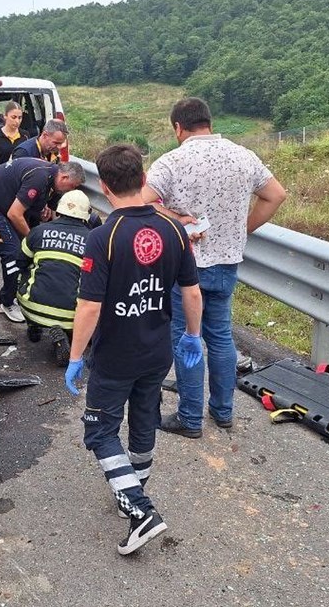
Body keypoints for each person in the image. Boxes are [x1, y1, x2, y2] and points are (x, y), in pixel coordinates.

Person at [63, 143, 203, 555]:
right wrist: (192, 336)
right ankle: (131, 486)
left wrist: (74, 357)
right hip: (157, 351)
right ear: (143, 181)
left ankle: (140, 511)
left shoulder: (102, 238)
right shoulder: (174, 230)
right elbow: (191, 292)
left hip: (115, 357)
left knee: (99, 429)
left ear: (103, 187)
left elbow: (90, 306)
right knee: (144, 420)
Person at [144, 97, 287, 438]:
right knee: (221, 337)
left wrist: (176, 217)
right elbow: (276, 195)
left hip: (185, 267)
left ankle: (190, 418)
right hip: (228, 262)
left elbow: (142, 200)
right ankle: (223, 412)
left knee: (186, 337)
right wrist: (243, 229)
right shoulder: (243, 156)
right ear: (209, 121)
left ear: (178, 127)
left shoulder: (172, 161)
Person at [0, 157, 85, 322]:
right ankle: (6, 302)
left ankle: (16, 290)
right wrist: (32, 240)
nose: (69, 191)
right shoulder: (39, 177)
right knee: (12, 251)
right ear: (64, 178)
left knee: (20, 246)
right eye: (72, 187)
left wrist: (43, 209)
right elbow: (15, 214)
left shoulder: (51, 178)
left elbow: (37, 206)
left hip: (2, 205)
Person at [15, 189, 94, 332]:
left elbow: (20, 262)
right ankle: (69, 333)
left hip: (31, 309)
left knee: (26, 269)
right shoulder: (92, 240)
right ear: (86, 214)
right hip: (71, 317)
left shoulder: (38, 231)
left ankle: (33, 325)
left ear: (58, 209)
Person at [0, 102, 26, 174]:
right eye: (13, 117)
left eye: (20, 118)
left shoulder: (25, 136)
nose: (17, 121)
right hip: (3, 179)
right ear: (5, 116)